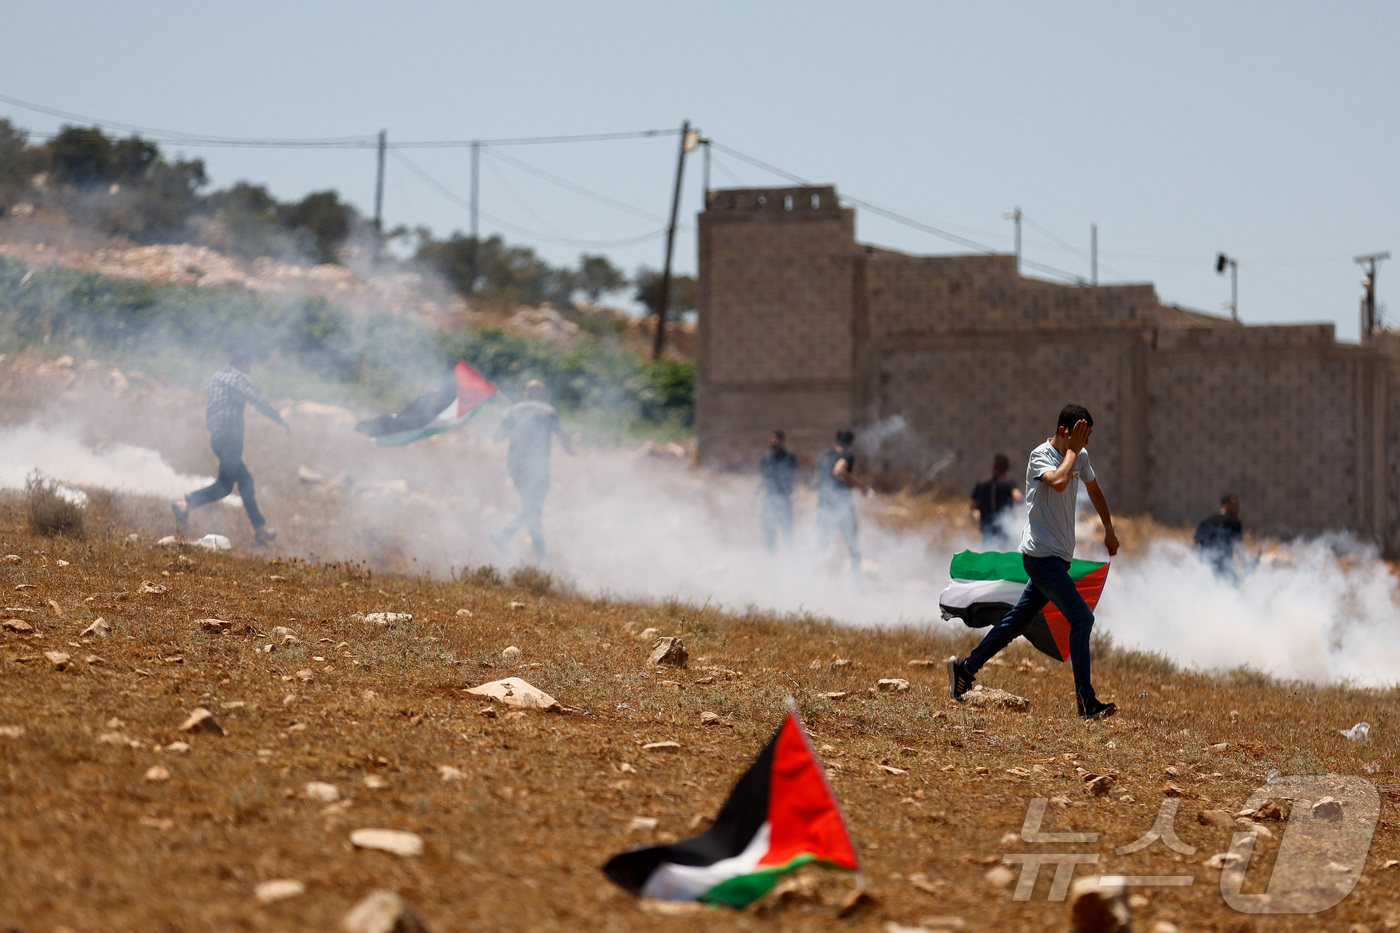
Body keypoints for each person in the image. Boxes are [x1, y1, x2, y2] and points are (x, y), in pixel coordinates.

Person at [947, 404, 1121, 720]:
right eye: (1082, 434)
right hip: (1041, 558)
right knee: (1082, 619)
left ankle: (966, 668)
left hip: (1058, 559)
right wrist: (1074, 451)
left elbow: (1095, 490)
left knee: (1015, 622)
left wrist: (1108, 529)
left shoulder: (1079, 456)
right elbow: (1059, 481)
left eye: (1089, 435)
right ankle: (1086, 703)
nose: (1086, 442)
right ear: (1065, 432)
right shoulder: (1040, 455)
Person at [172, 348, 289, 546]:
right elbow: (258, 401)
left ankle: (260, 530)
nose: (249, 370)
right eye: (249, 366)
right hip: (231, 437)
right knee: (225, 486)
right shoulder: (240, 377)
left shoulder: (216, 378)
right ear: (244, 363)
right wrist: (280, 420)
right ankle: (186, 503)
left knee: (244, 481)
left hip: (217, 437)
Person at [491, 380, 574, 557]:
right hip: (538, 466)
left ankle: (539, 549)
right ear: (542, 394)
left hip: (515, 466)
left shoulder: (512, 411)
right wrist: (571, 451)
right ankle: (504, 535)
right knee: (533, 505)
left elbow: (497, 438)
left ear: (526, 394)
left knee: (531, 505)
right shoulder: (548, 411)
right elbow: (563, 437)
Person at [815, 429, 870, 579]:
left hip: (824, 507)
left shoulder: (825, 457)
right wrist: (860, 486)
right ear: (850, 444)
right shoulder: (847, 455)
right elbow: (839, 471)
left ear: (836, 441)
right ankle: (858, 584)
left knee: (822, 545)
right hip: (842, 508)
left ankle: (811, 581)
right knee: (853, 546)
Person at [969, 453, 1024, 548]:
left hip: (988, 532)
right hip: (1006, 532)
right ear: (1007, 468)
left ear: (993, 467)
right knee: (1008, 556)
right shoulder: (1009, 483)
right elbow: (1018, 497)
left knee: (989, 555)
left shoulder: (982, 483)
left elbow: (972, 506)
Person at [757, 430, 799, 552]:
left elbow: (796, 475)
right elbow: (763, 477)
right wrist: (755, 494)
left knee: (786, 529)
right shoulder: (767, 457)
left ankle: (791, 556)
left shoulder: (789, 456)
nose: (774, 441)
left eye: (777, 439)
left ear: (782, 441)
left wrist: (795, 491)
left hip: (784, 497)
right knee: (769, 529)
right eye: (773, 439)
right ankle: (772, 557)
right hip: (769, 498)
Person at [1194, 493, 1244, 579]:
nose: (1238, 508)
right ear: (1226, 505)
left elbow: (1195, 545)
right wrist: (1245, 566)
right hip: (1224, 568)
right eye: (1236, 505)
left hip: (1206, 568)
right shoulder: (1234, 522)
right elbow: (1238, 546)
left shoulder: (1206, 521)